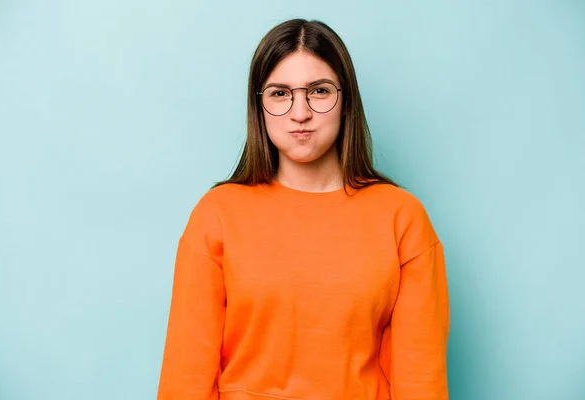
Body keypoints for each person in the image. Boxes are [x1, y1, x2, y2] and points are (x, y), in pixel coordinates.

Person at [157, 18, 450, 400]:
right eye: (280, 94)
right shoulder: (217, 215)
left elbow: (420, 379)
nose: (300, 113)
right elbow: (186, 377)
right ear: (258, 105)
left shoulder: (401, 218)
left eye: (319, 91)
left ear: (346, 102)